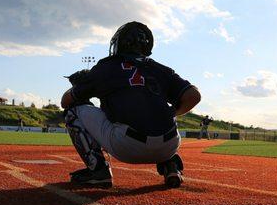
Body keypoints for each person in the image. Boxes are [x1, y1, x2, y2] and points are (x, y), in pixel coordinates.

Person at [61, 21, 201, 188]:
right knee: (157, 111)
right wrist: (172, 113)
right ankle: (171, 165)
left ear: (120, 43)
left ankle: (98, 170)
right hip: (169, 145)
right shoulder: (159, 68)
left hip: (127, 146)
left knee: (72, 112)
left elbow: (66, 101)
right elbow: (194, 96)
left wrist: (82, 86)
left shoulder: (107, 66)